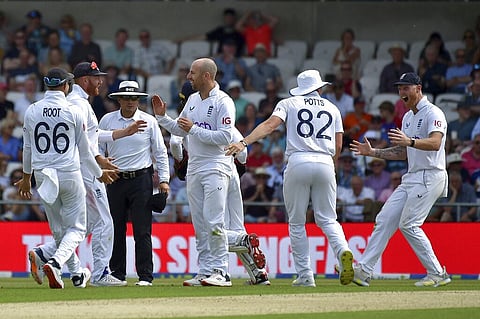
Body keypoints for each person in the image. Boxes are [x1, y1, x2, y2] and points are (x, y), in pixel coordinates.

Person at [226, 69, 354, 287]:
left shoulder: (289, 103)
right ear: (320, 88)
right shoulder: (333, 108)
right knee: (328, 219)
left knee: (297, 222)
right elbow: (339, 144)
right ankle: (343, 252)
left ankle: (306, 275)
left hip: (299, 160)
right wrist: (330, 168)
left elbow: (269, 126)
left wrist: (244, 142)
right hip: (325, 161)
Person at [348, 72, 451, 287]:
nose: (402, 92)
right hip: (412, 176)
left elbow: (435, 143)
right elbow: (403, 152)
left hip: (431, 174)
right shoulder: (407, 117)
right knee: (384, 218)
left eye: (406, 88)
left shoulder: (434, 112)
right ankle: (364, 271)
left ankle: (438, 274)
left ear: (418, 88)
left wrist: (410, 141)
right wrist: (373, 152)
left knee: (409, 224)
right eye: (400, 88)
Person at [168, 81, 269, 285]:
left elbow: (174, 143)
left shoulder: (189, 115)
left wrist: (180, 161)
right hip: (229, 170)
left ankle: (233, 252)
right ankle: (259, 274)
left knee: (211, 225)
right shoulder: (215, 113)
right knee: (234, 225)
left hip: (208, 173)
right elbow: (243, 151)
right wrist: (237, 165)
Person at [18, 67, 111, 289]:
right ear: (66, 85)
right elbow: (86, 152)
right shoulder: (73, 110)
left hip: (42, 175)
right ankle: (57, 263)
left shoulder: (32, 110)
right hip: (69, 174)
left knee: (59, 230)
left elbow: (28, 147)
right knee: (77, 229)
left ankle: (77, 273)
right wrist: (100, 174)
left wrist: (25, 178)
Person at [152, 58, 235, 287]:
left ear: (207, 76)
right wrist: (162, 118)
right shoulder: (192, 99)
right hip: (195, 167)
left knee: (214, 220)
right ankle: (206, 269)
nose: (188, 76)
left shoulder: (224, 102)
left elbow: (225, 138)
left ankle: (222, 271)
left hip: (216, 166)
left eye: (192, 72)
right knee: (199, 222)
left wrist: (195, 129)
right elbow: (181, 129)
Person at [99, 80, 170, 286]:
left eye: (134, 98)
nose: (131, 102)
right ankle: (117, 274)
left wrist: (164, 180)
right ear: (119, 99)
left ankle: (145, 276)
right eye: (127, 98)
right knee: (116, 229)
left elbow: (160, 152)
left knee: (142, 230)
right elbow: (97, 147)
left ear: (138, 100)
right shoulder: (107, 120)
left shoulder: (148, 121)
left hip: (141, 179)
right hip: (115, 178)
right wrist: (101, 170)